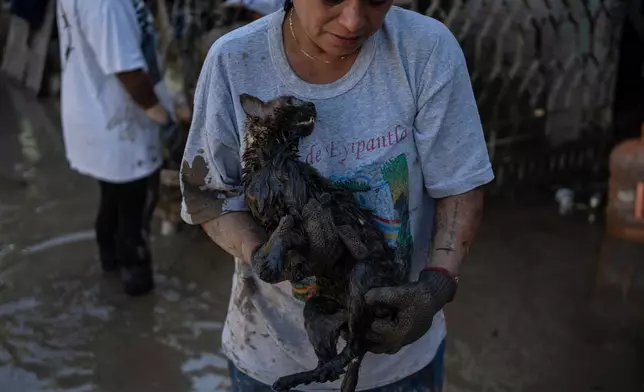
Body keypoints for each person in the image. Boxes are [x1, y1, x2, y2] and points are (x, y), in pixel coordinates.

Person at [180, 0, 493, 390]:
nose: (353, 21)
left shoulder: (426, 50)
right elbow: (210, 196)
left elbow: (460, 184)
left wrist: (436, 287)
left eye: (376, 0)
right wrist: (259, 251)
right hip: (270, 352)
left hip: (402, 364)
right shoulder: (235, 60)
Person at [56, 0, 179, 296]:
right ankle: (139, 299)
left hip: (92, 112)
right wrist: (164, 119)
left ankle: (109, 269)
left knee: (112, 200)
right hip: (121, 125)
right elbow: (130, 73)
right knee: (135, 214)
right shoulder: (108, 4)